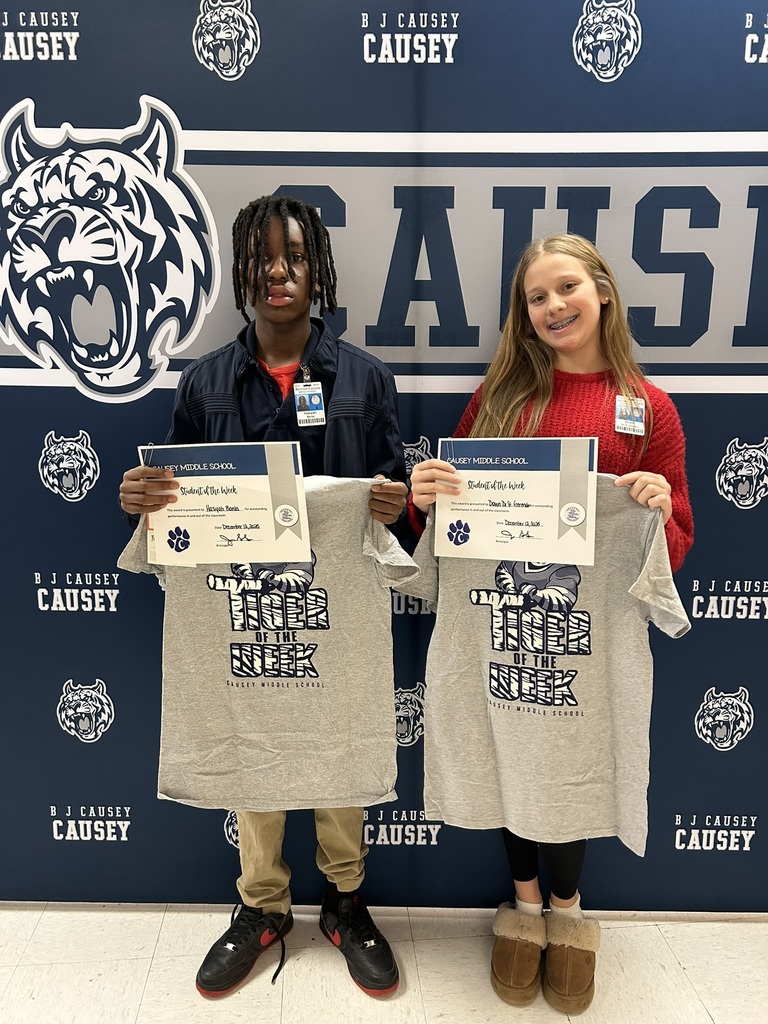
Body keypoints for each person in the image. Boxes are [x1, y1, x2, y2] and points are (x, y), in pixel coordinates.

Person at [119, 195, 408, 999]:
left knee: (339, 737)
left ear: (318, 271)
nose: (279, 273)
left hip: (333, 616)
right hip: (241, 610)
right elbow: (175, 502)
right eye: (262, 258)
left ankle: (345, 899)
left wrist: (393, 502)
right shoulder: (206, 381)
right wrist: (143, 500)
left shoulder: (364, 377)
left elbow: (395, 499)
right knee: (253, 739)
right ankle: (263, 905)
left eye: (296, 258)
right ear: (241, 272)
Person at [408, 234, 693, 1014]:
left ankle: (568, 913)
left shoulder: (650, 407)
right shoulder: (500, 401)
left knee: (568, 763)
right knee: (510, 753)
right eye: (536, 298)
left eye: (566, 287)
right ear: (523, 314)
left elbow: (676, 541)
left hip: (586, 640)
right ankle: (525, 906)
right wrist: (426, 499)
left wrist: (657, 511)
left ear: (602, 291)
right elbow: (452, 531)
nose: (553, 306)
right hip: (501, 622)